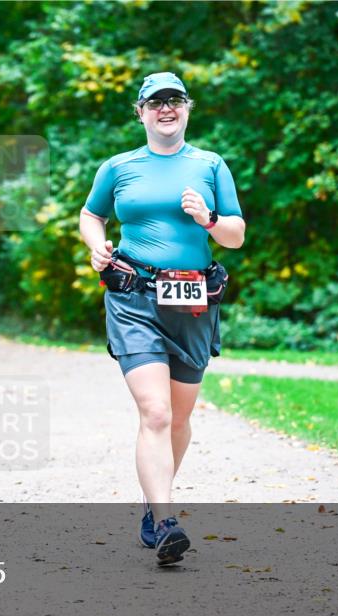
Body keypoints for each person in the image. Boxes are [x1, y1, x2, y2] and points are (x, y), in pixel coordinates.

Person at [79, 73, 246, 565]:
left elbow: (236, 235)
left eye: (174, 100)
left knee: (179, 417)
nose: (165, 109)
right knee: (154, 412)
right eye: (156, 102)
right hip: (133, 295)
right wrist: (97, 247)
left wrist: (209, 220)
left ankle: (154, 506)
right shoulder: (119, 166)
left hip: (193, 300)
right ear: (141, 112)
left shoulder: (210, 166)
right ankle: (167, 518)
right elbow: (92, 215)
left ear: (188, 108)